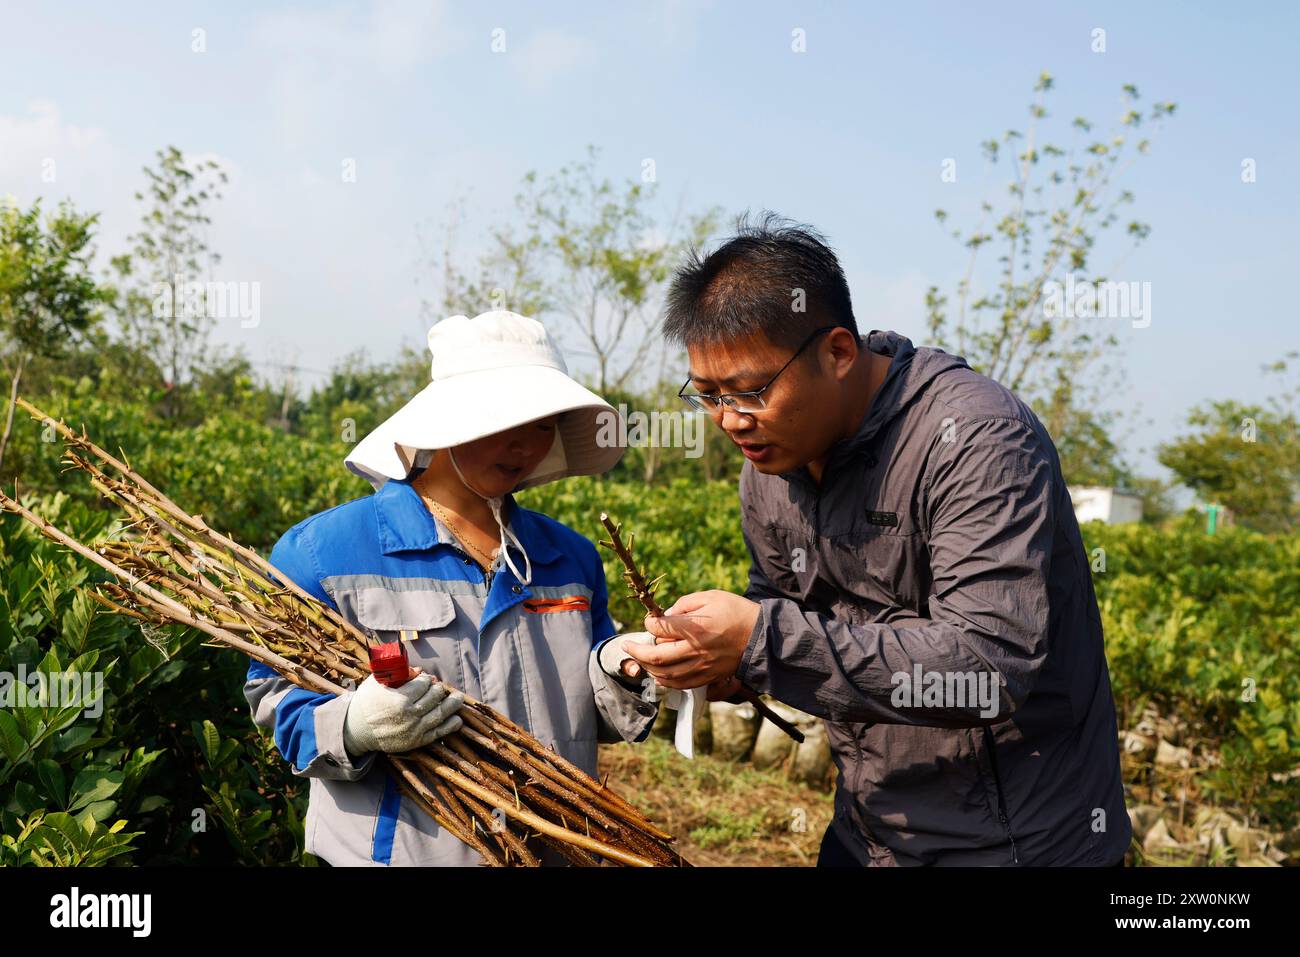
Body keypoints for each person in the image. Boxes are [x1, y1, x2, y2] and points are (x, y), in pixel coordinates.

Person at [624, 214, 1131, 866]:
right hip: (871, 832)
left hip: (1015, 846)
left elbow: (986, 668)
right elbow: (789, 621)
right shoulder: (770, 469)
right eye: (709, 395)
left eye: (751, 390)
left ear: (837, 352)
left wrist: (760, 638)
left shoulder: (974, 439)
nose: (730, 420)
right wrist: (721, 661)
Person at [243, 310, 662, 866]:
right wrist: (354, 726)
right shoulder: (325, 554)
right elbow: (278, 708)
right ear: (448, 421)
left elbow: (592, 713)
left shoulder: (570, 558)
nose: (524, 446)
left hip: (554, 848)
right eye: (503, 423)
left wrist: (623, 671)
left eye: (543, 425)